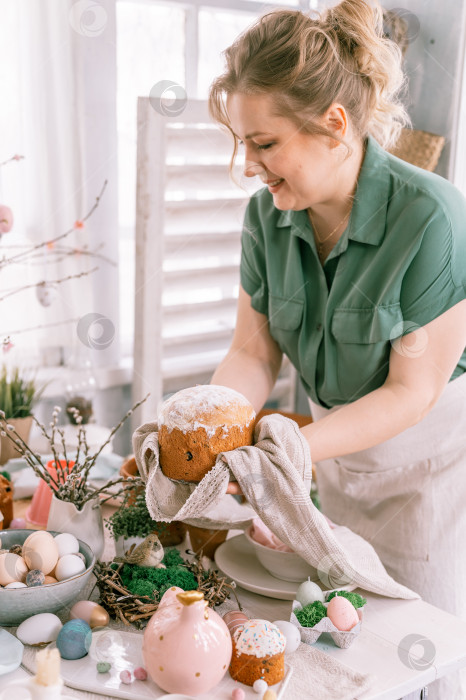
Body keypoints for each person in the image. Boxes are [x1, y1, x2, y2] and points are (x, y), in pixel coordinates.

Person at [208, 1, 466, 698]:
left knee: (425, 656)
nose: (250, 167)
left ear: (333, 125)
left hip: (431, 473)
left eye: (264, 144)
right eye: (243, 144)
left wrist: (294, 450)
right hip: (337, 463)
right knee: (348, 643)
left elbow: (411, 393)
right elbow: (253, 354)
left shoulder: (432, 218)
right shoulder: (269, 217)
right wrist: (208, 422)